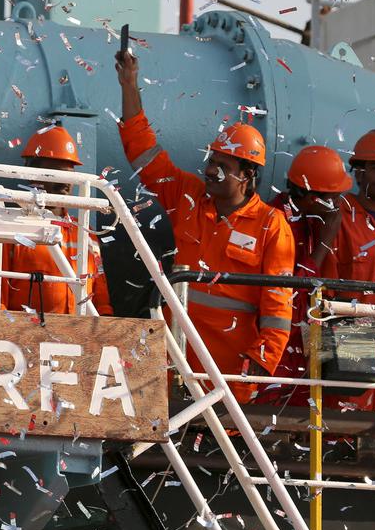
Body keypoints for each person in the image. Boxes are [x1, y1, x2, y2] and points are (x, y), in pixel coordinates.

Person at [116, 49, 294, 404]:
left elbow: (278, 307)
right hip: (174, 361)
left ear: (247, 175)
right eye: (211, 160)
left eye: (222, 165)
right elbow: (143, 152)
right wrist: (129, 85)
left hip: (228, 371)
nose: (210, 170)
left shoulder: (272, 226)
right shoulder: (187, 196)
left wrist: (263, 358)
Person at [319, 129, 375, 414]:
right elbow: (324, 292)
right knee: (344, 428)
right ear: (357, 173)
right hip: (349, 339)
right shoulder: (338, 218)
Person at [263, 144, 353, 406]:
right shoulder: (273, 221)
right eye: (332, 198)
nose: (337, 206)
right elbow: (289, 289)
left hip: (310, 346)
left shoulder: (315, 219)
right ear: (309, 196)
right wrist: (324, 244)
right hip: (277, 348)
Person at [0, 124, 113, 316]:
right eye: (55, 173)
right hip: (25, 340)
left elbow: (101, 300)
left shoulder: (85, 233)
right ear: (32, 175)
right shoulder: (6, 229)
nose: (63, 182)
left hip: (81, 340)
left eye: (68, 173)